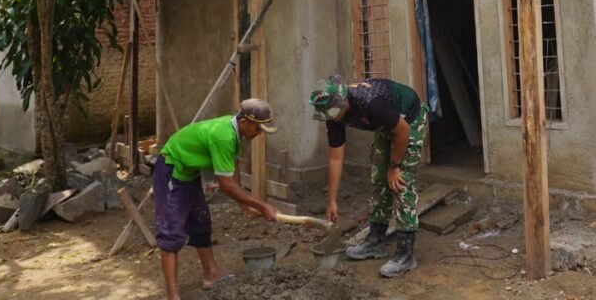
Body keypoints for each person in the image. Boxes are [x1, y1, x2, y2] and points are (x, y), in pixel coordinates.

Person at [154, 99, 279, 300]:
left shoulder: (236, 133)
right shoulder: (223, 137)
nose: (259, 133)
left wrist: (243, 203)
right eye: (258, 128)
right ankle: (172, 295)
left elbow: (232, 167)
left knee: (201, 223)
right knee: (171, 232)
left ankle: (211, 273)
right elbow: (226, 185)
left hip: (189, 173)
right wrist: (262, 206)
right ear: (245, 122)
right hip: (172, 169)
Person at [309, 75, 428, 278]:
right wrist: (332, 201)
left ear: (341, 101)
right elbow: (336, 157)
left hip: (409, 120)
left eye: (332, 112)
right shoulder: (334, 115)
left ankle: (406, 254)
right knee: (378, 180)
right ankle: (375, 241)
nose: (331, 117)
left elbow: (403, 131)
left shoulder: (370, 103)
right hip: (386, 125)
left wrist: (394, 166)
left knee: (400, 183)